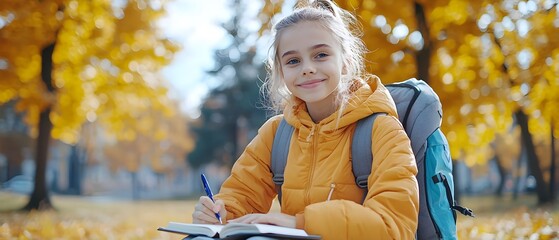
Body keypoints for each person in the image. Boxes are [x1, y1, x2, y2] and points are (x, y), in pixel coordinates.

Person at [192, 0, 419, 239]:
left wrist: (299, 222)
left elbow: (393, 226)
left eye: (320, 55)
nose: (307, 68)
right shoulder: (276, 134)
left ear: (346, 62)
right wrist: (219, 213)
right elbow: (241, 197)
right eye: (293, 61)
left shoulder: (381, 130)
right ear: (281, 71)